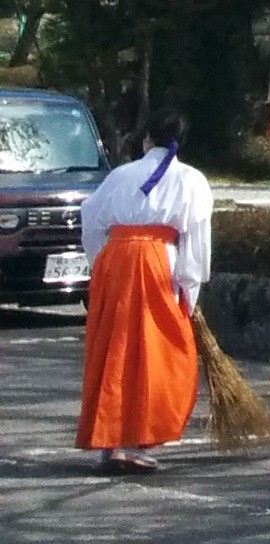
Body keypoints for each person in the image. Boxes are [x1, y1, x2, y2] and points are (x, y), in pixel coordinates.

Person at [75, 110, 213, 474]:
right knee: (155, 352)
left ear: (146, 138)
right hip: (157, 261)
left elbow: (90, 216)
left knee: (114, 348)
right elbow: (196, 239)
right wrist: (189, 287)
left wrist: (100, 261)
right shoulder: (190, 179)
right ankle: (134, 437)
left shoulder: (121, 175)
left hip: (116, 259)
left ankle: (112, 437)